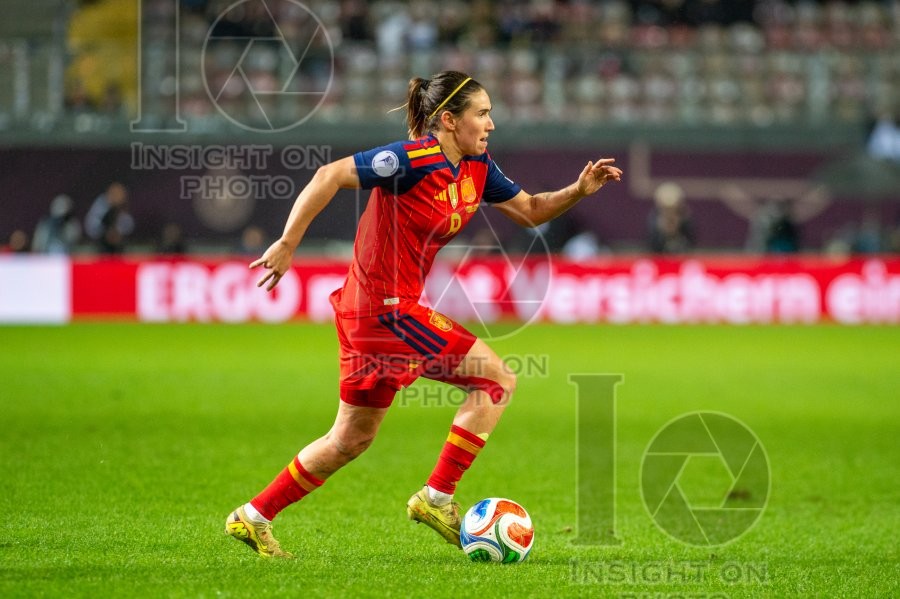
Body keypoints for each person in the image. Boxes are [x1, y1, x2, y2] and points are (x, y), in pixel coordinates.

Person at [226, 70, 623, 558]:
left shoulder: (478, 167)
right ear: (450, 121)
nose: (491, 124)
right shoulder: (412, 159)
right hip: (384, 309)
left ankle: (253, 516)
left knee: (350, 437)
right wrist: (288, 242)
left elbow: (533, 209)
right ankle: (437, 497)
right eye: (482, 113)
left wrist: (579, 190)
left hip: (369, 311)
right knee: (496, 380)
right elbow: (329, 174)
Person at [84, 182, 134, 254]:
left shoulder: (123, 207)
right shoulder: (101, 204)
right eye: (115, 193)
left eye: (120, 193)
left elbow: (129, 225)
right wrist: (105, 233)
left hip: (120, 246)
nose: (118, 196)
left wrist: (119, 232)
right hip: (101, 245)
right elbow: (91, 226)